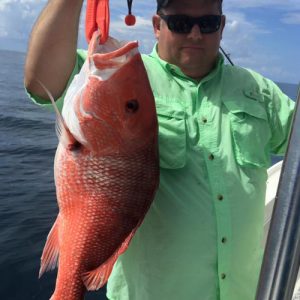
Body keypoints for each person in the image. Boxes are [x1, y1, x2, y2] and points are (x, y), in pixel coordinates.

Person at [24, 0, 295, 299]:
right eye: (180, 23)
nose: (194, 34)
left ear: (222, 25)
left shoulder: (258, 90)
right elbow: (41, 79)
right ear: (157, 25)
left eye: (207, 23)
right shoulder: (126, 76)